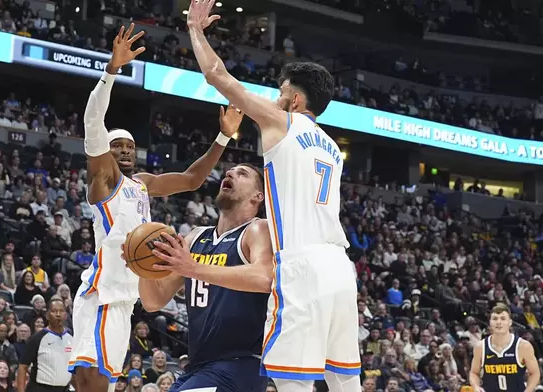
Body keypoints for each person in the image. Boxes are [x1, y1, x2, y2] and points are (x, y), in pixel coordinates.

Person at [185, 2, 359, 391]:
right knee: (345, 380)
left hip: (302, 265)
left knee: (290, 383)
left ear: (295, 101)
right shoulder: (332, 147)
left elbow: (217, 74)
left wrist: (195, 29)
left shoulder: (282, 121)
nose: (275, 98)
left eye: (280, 92)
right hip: (340, 269)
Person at [69, 22, 243, 392]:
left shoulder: (143, 183)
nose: (126, 151)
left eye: (130, 146)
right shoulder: (104, 180)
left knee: (92, 383)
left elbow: (192, 179)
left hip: (124, 296)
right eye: (118, 146)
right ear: (106, 152)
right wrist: (111, 71)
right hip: (104, 293)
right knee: (91, 383)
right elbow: (92, 122)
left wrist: (223, 135)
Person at [134, 164, 272, 392]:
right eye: (230, 172)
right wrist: (145, 266)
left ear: (258, 196)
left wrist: (193, 268)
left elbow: (264, 277)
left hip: (240, 365)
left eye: (242, 174)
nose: (229, 174)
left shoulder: (257, 229)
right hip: (198, 366)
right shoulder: (197, 236)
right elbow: (154, 301)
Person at [469, 304, 539, 392]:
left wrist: (528, 390)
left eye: (502, 318)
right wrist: (476, 387)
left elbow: (535, 373)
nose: (498, 322)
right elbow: (474, 373)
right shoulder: (480, 347)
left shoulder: (523, 346)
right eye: (495, 319)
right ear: (490, 322)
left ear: (510, 322)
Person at [17, 299, 71, 392]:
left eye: (61, 311)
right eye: (54, 311)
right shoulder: (37, 338)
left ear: (66, 315)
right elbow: (23, 367)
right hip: (40, 388)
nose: (58, 314)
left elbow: (73, 368)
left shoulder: (71, 336)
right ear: (47, 315)